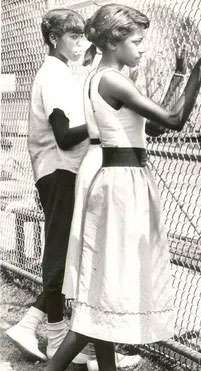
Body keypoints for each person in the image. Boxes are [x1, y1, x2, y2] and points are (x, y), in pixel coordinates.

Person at [46, 4, 201, 370]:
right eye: (137, 41)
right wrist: (200, 68)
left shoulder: (106, 78)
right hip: (119, 185)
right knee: (108, 293)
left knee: (105, 289)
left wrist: (180, 75)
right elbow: (173, 120)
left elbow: (153, 128)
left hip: (118, 180)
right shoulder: (112, 80)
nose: (143, 48)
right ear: (114, 42)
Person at [5, 9, 91, 364]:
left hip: (58, 170)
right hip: (59, 170)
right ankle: (34, 323)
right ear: (54, 38)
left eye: (81, 36)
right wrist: (102, 121)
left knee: (64, 252)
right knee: (60, 253)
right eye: (73, 37)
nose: (79, 43)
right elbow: (65, 137)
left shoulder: (61, 71)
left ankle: (52, 333)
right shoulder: (53, 75)